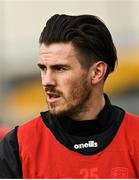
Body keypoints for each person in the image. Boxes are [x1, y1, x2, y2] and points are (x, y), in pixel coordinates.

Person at [0, 14, 139, 178]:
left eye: (60, 69)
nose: (47, 81)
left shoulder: (135, 136)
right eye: (43, 69)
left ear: (97, 72)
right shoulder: (18, 146)